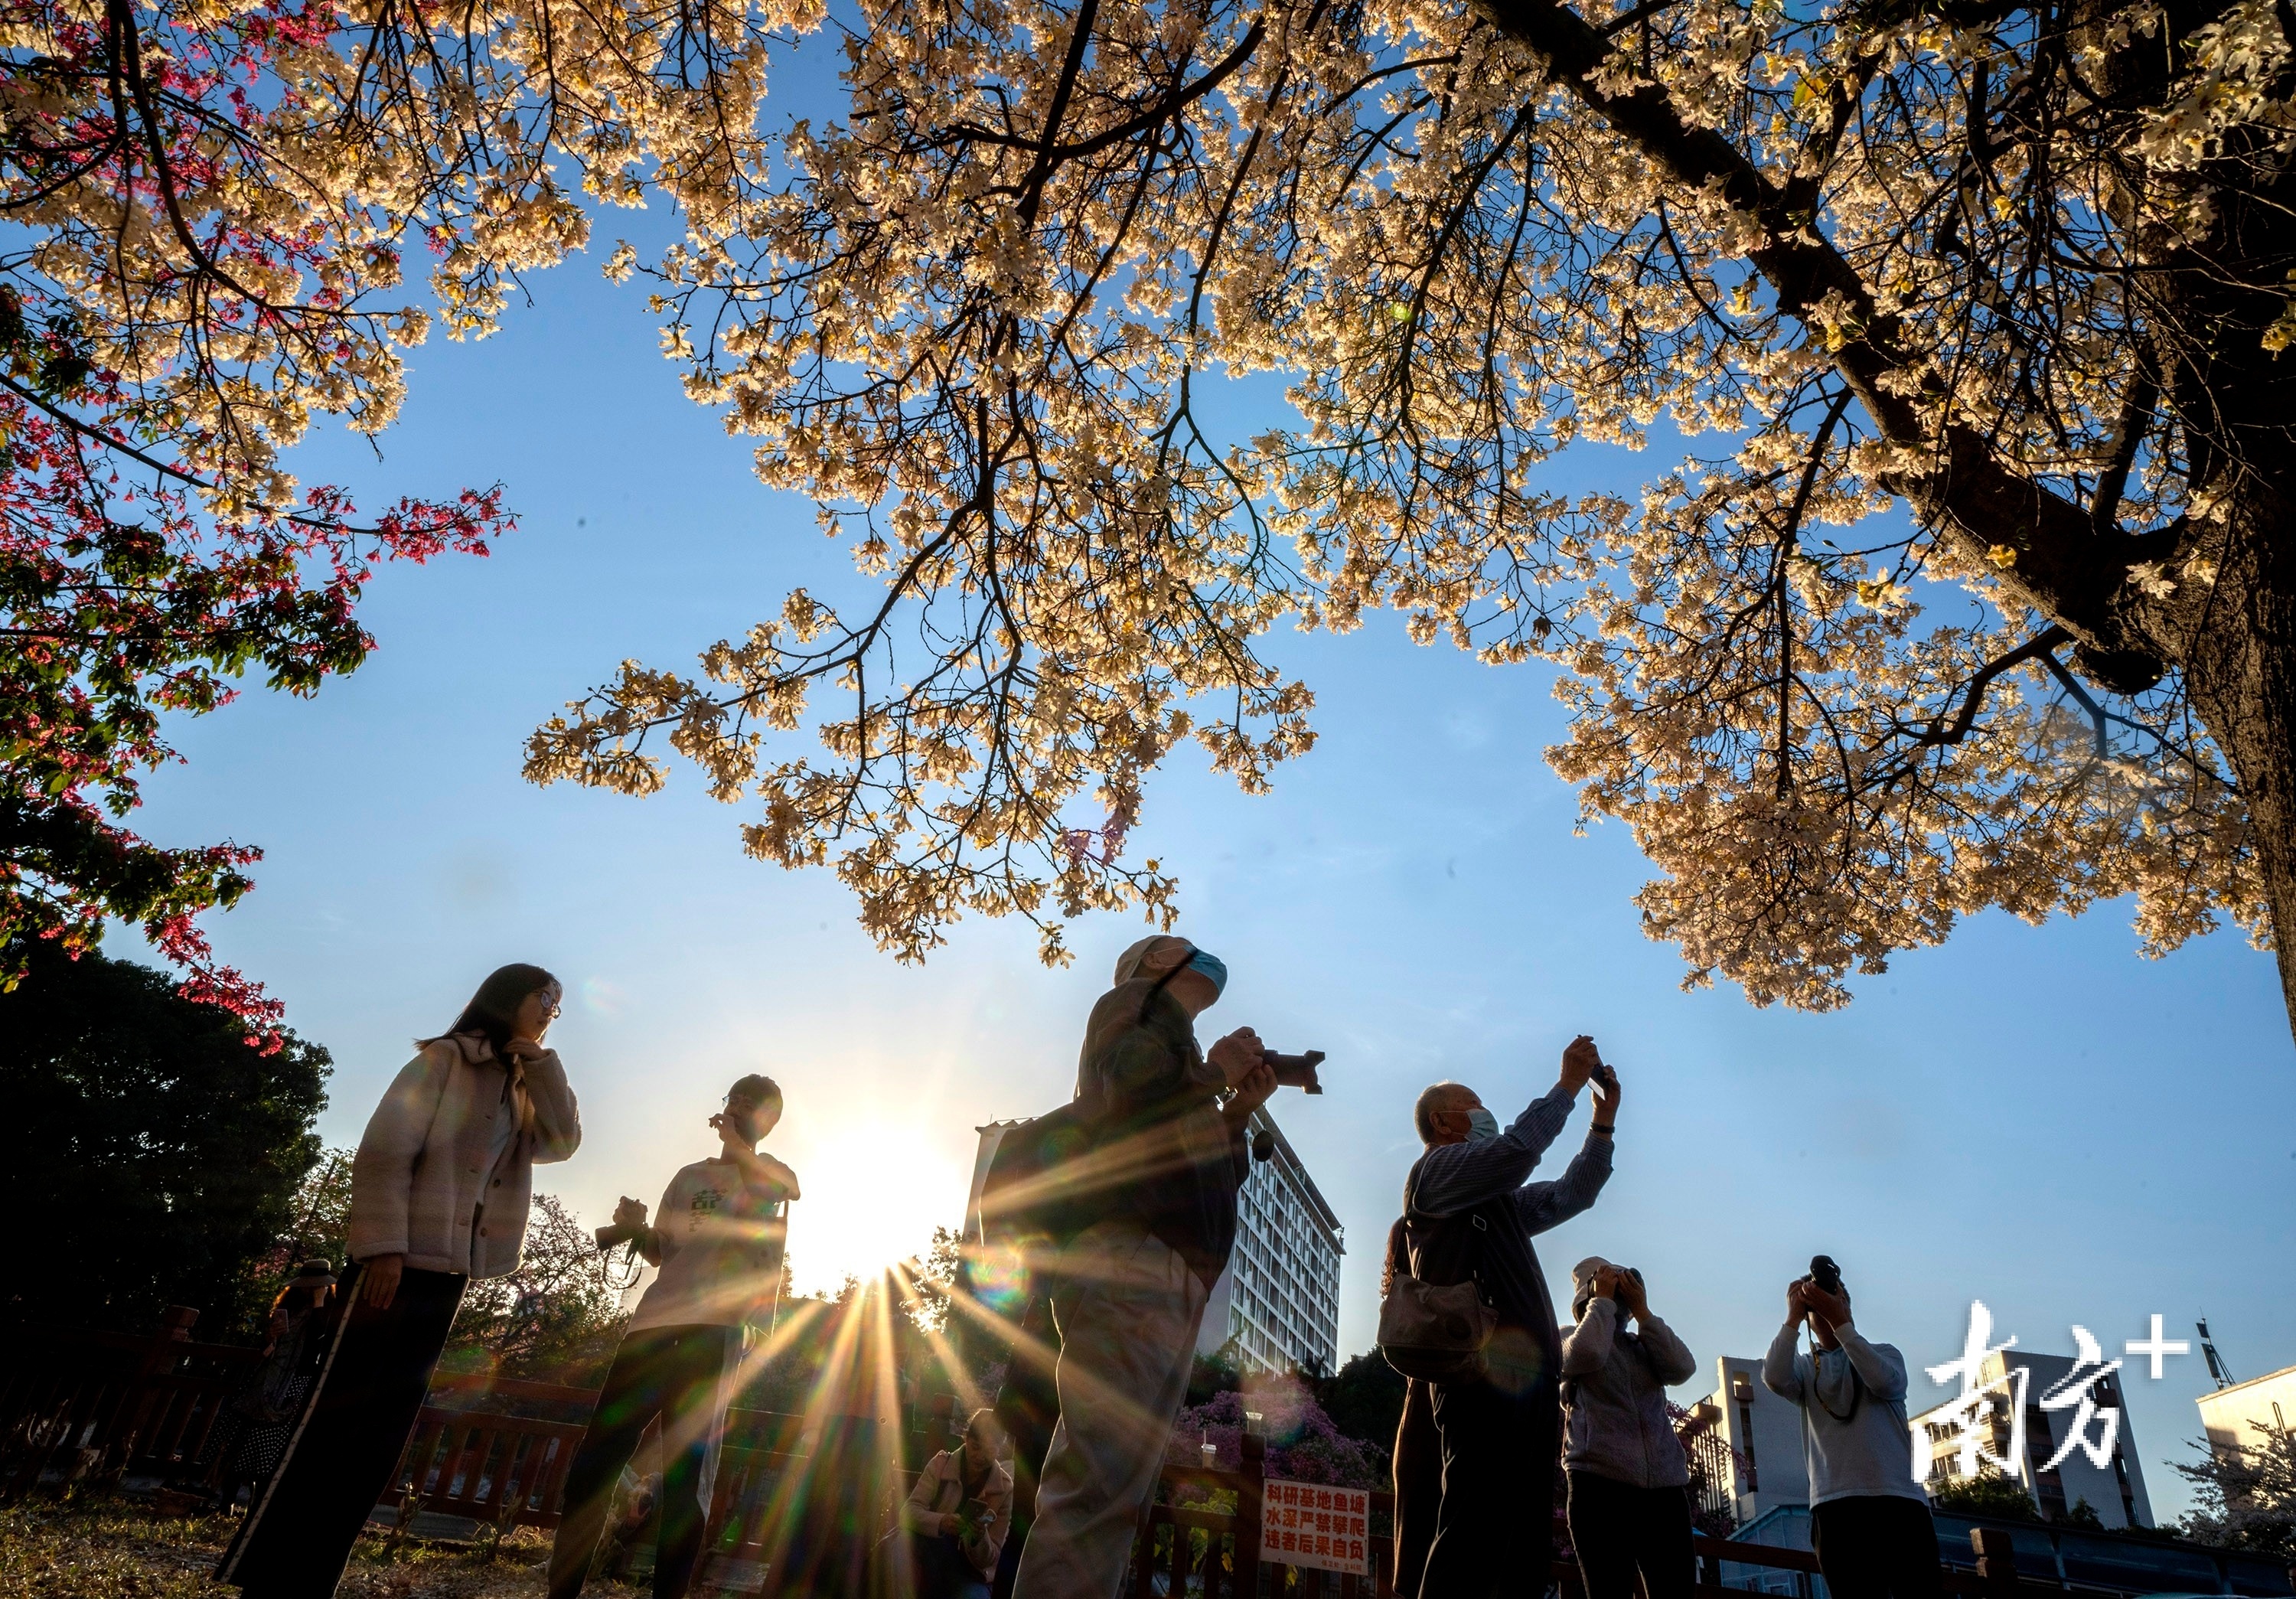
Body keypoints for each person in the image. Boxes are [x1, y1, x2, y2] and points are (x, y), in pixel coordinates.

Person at [217, 963, 581, 1598]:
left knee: (381, 1433)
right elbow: (385, 1150)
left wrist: (542, 1061)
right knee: (333, 1421)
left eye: (560, 1001)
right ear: (508, 996)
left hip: (449, 1271)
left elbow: (563, 1141)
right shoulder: (445, 1060)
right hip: (392, 1262)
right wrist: (383, 1246)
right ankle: (264, 1576)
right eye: (545, 994)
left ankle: (313, 1579)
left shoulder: (525, 1084)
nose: (553, 1006)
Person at [1009, 935, 1276, 1599]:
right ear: (1156, 960)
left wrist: (1236, 1111)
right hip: (1133, 1261)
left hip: (1165, 1267)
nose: (1207, 954)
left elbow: (1198, 1169)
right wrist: (1215, 1072)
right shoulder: (1135, 1002)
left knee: (1116, 1492)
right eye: (1185, 945)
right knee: (1098, 1487)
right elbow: (1132, 1082)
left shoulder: (1178, 1046)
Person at [546, 1074, 799, 1599]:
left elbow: (788, 1190)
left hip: (716, 1332)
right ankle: (561, 1590)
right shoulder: (689, 1176)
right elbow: (665, 1248)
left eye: (752, 1107)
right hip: (653, 1326)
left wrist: (738, 1146)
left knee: (688, 1479)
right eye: (734, 1101)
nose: (737, 1110)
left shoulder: (770, 1173)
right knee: (598, 1461)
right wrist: (637, 1228)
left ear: (768, 1122)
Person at [1402, 1039, 1617, 1599]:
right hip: (1478, 1376)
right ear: (1444, 1120)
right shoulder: (1436, 1173)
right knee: (1473, 1531)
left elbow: (1574, 1194)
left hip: (1530, 1380)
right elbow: (1518, 1151)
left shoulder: (1497, 1201)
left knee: (1522, 1542)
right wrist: (1567, 1085)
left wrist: (1603, 1125)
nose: (1485, 1115)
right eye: (1474, 1106)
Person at [1761, 1260, 1942, 1599]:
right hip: (1836, 1505)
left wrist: (1840, 1321)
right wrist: (1793, 1318)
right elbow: (1774, 1377)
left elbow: (1883, 1381)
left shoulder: (1885, 1354)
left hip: (1899, 1500)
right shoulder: (1804, 1367)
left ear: (1848, 1305)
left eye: (1836, 1298)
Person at [1560, 1257, 1698, 1599]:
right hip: (1598, 1487)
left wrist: (1644, 1314)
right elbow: (1589, 1352)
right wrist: (1602, 1302)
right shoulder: (1567, 1338)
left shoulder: (1643, 1346)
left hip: (1664, 1492)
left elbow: (1683, 1368)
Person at [200, 1260, 338, 1513]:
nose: (309, 1290)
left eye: (315, 1286)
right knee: (239, 1437)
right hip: (265, 1379)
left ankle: (257, 1507)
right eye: (307, 1287)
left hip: (294, 1384)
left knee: (268, 1445)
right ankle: (226, 1499)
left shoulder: (327, 1312)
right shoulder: (289, 1306)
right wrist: (271, 1337)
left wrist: (320, 1301)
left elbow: (319, 1343)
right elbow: (263, 1349)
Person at [895, 1408, 1016, 1599]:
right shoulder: (940, 1465)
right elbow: (908, 1512)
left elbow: (991, 1558)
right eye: (976, 1447)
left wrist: (979, 1537)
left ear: (999, 1450)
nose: (981, 1456)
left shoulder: (1004, 1488)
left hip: (970, 1573)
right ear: (965, 1439)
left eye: (990, 1450)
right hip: (927, 1557)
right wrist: (942, 1522)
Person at [1381, 1221, 1439, 1599]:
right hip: (1427, 1428)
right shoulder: (1424, 1309)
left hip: (1418, 1430)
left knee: (1415, 1566)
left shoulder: (1400, 1308)